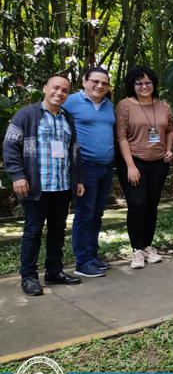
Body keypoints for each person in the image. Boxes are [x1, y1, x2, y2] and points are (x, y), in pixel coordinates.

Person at [3, 75, 84, 296]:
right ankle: (28, 276)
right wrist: (18, 175)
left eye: (65, 90)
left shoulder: (68, 118)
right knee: (33, 231)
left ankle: (54, 272)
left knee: (58, 230)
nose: (60, 93)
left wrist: (77, 180)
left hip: (62, 186)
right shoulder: (26, 114)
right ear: (45, 88)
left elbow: (74, 153)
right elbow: (10, 146)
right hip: (36, 186)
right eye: (56, 88)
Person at [116, 66, 173, 269]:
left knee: (151, 205)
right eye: (139, 83)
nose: (144, 86)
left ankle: (148, 246)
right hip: (133, 161)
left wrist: (169, 149)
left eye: (147, 82)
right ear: (132, 85)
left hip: (158, 163)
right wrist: (130, 166)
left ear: (153, 83)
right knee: (137, 204)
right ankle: (136, 250)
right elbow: (121, 136)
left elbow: (169, 129)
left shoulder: (163, 106)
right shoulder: (125, 105)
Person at [63, 67, 115, 278]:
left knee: (97, 214)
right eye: (95, 81)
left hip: (106, 167)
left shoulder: (108, 104)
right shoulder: (71, 101)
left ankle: (92, 255)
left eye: (104, 83)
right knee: (84, 214)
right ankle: (82, 262)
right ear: (84, 81)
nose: (99, 86)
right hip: (84, 167)